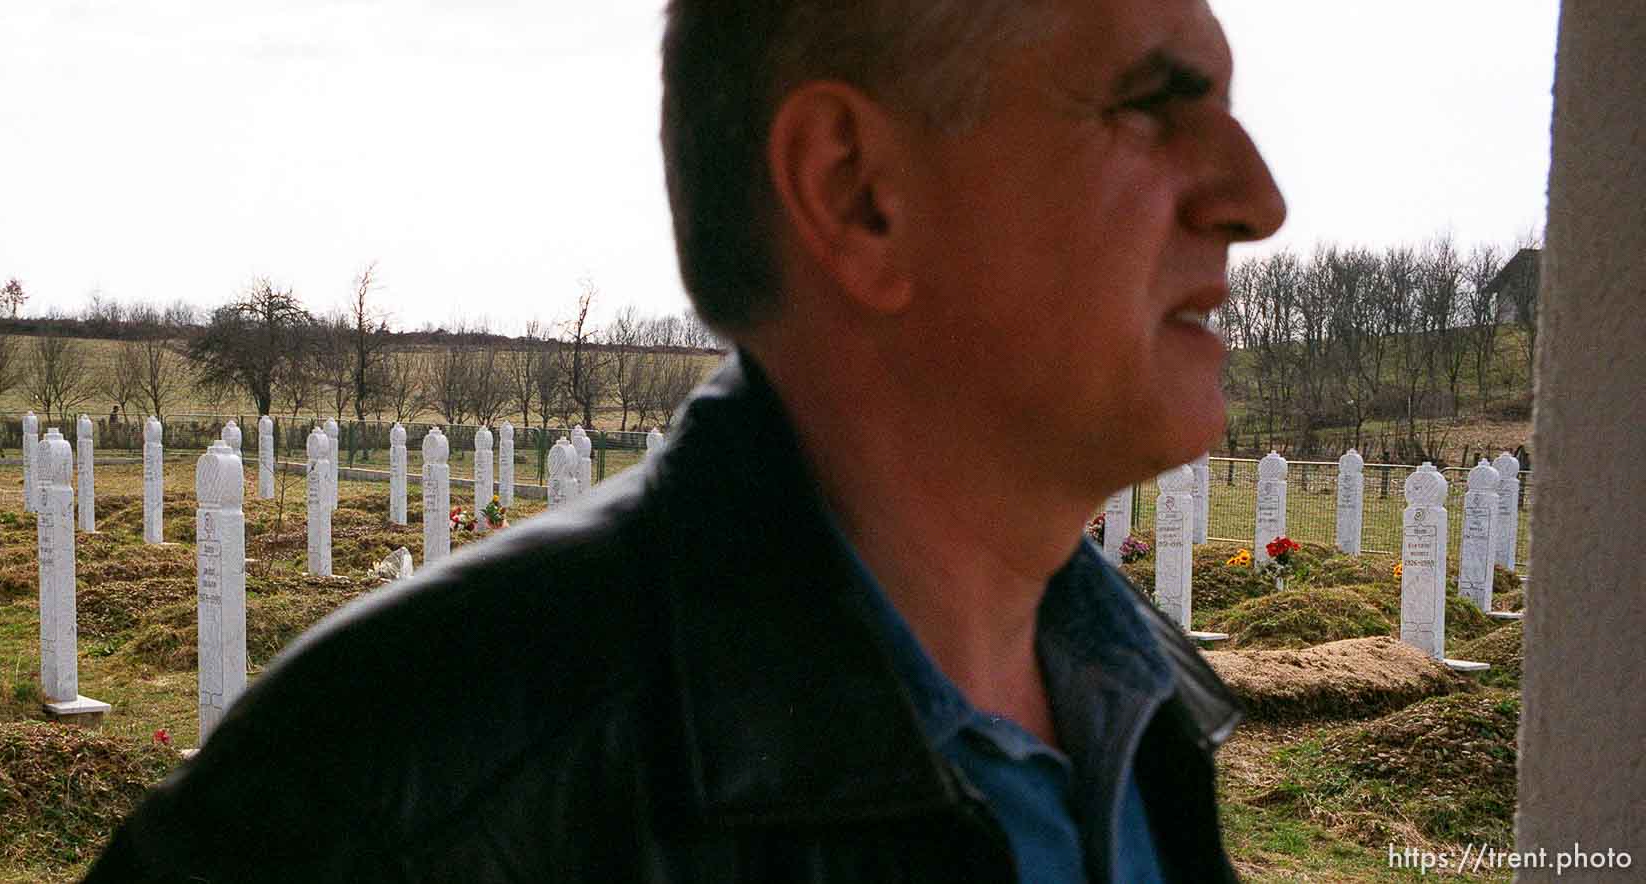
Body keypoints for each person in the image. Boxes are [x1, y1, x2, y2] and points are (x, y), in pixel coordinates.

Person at [87, 0, 1284, 879]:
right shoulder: (407, 795)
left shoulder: (1144, 711)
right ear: (857, 190)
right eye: (1150, 104)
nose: (1254, 196)